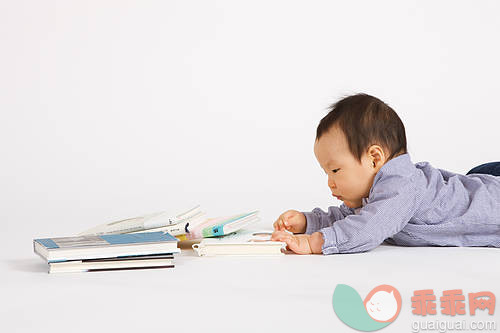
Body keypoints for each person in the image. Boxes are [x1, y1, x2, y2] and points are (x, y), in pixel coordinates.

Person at [271, 93, 500, 255]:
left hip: (494, 202)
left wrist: (315, 242)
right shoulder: (375, 194)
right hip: (478, 185)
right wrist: (308, 221)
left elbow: (368, 227)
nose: (330, 182)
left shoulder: (401, 185)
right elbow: (352, 219)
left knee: (479, 181)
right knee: (474, 177)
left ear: (374, 158)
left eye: (335, 170)